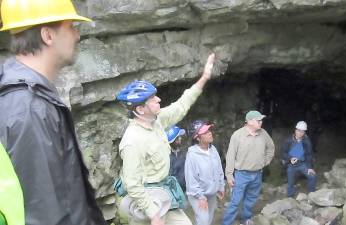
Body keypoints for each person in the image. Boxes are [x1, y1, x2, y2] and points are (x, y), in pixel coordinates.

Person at [0, 0, 107, 224]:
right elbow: (45, 215)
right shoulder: (28, 108)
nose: (77, 35)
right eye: (71, 27)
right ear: (48, 35)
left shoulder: (29, 96)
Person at [117, 53, 216, 225]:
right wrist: (153, 214)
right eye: (152, 99)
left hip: (162, 192)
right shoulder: (132, 141)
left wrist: (204, 78)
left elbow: (181, 105)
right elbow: (132, 184)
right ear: (140, 109)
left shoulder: (157, 121)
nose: (159, 99)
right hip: (147, 201)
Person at [222, 110, 275, 225]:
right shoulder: (237, 135)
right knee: (236, 201)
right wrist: (229, 175)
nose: (261, 122)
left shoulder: (263, 133)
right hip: (241, 174)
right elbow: (230, 156)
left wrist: (266, 161)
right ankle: (226, 223)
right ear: (250, 121)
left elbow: (271, 148)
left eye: (261, 120)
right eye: (258, 120)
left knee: (251, 199)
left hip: (257, 174)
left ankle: (246, 219)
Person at [185, 120, 225, 225]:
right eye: (205, 132)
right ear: (197, 138)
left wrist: (220, 186)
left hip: (211, 193)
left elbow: (219, 170)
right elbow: (191, 180)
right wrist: (200, 197)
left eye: (209, 130)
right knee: (203, 221)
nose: (210, 133)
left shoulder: (213, 149)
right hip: (197, 195)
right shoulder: (192, 156)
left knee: (209, 219)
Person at [282, 121, 317, 198]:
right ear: (295, 130)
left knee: (312, 176)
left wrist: (310, 167)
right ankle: (290, 198)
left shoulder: (306, 141)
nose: (300, 133)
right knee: (290, 183)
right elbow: (284, 153)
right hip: (291, 165)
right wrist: (290, 158)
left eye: (303, 131)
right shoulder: (288, 141)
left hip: (302, 164)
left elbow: (309, 155)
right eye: (299, 131)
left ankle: (312, 197)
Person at [166, 125, 187, 192]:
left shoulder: (184, 152)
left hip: (186, 190)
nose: (180, 138)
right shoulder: (166, 156)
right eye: (178, 137)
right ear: (173, 140)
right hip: (174, 192)